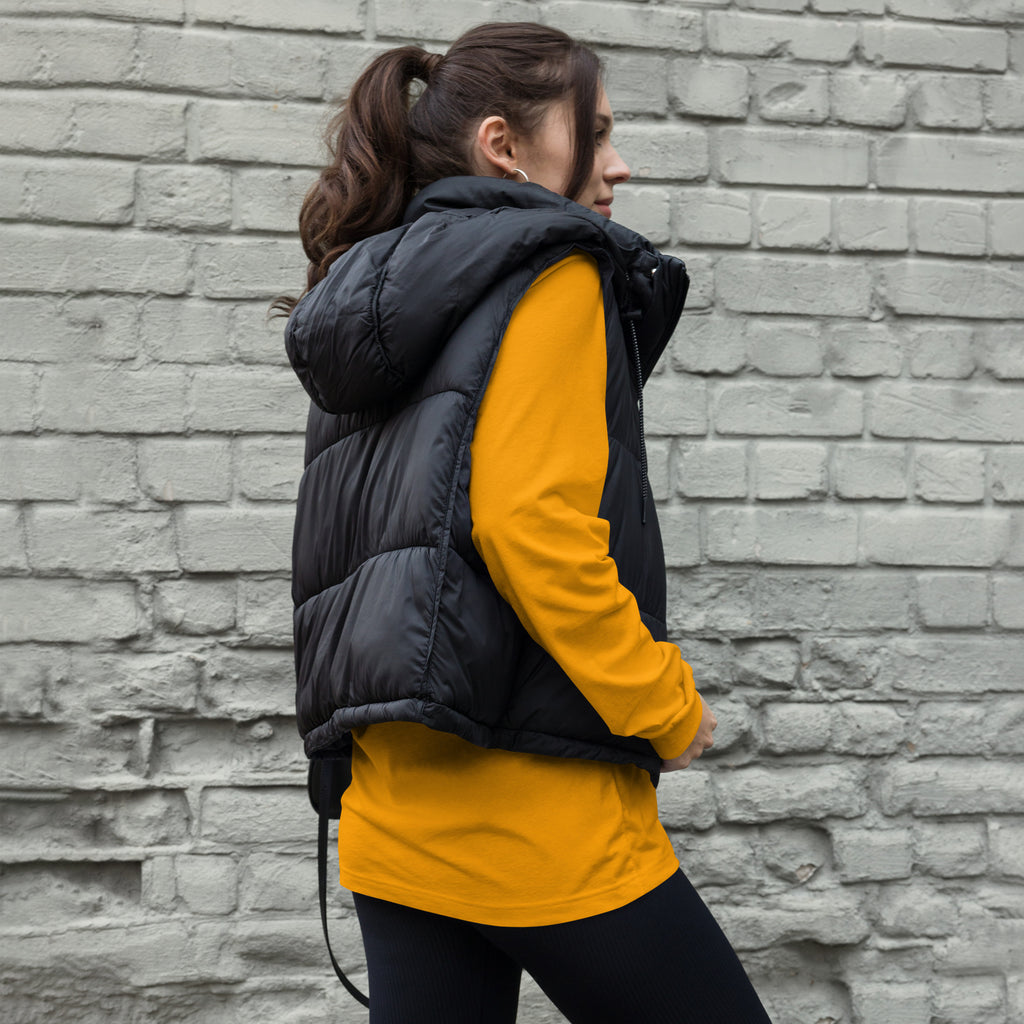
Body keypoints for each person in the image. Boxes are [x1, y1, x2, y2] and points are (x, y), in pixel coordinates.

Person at [278, 21, 773, 1024]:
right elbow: (529, 525)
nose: (618, 162)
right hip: (537, 817)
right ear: (505, 146)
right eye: (594, 131)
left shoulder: (371, 297)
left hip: (396, 811)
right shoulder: (552, 270)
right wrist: (662, 702)